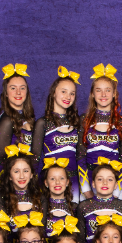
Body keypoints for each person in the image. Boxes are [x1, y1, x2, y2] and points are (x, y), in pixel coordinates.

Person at [77, 63, 122, 200]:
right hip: (90, 183)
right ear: (92, 94)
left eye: (107, 90)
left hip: (114, 185)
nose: (103, 94)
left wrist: (117, 192)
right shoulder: (84, 120)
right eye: (98, 90)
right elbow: (81, 156)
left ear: (114, 94)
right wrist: (86, 190)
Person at [33, 66, 82, 202]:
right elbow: (35, 159)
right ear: (54, 93)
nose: (68, 97)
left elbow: (80, 156)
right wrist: (32, 187)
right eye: (63, 91)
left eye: (72, 93)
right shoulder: (43, 123)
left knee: (73, 213)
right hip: (51, 182)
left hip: (73, 181)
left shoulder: (76, 122)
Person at [0, 64, 35, 183]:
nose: (18, 92)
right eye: (13, 88)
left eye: (22, 88)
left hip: (26, 179)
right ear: (6, 93)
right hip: (11, 182)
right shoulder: (6, 120)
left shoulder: (28, 117)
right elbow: (1, 161)